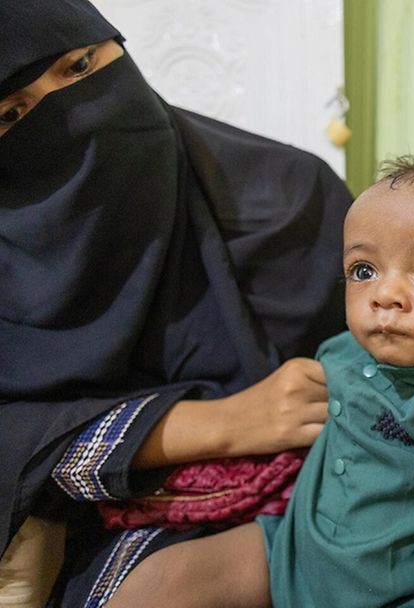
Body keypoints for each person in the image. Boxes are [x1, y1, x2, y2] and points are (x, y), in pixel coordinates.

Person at [106, 149, 414, 607]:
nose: (385, 294)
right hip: (289, 552)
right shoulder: (343, 353)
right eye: (363, 270)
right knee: (159, 579)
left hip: (398, 588)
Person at [1, 2, 353, 605]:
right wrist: (215, 425)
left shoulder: (290, 198)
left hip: (331, 499)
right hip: (113, 533)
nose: (70, 114)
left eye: (80, 65)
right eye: (12, 113)